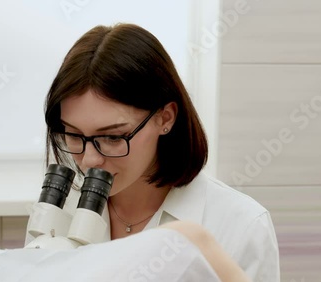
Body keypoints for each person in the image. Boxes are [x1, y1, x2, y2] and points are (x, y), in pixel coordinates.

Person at [26, 23, 280, 281]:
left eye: (113, 137)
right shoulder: (59, 215)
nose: (90, 160)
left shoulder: (240, 225)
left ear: (165, 118)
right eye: (73, 134)